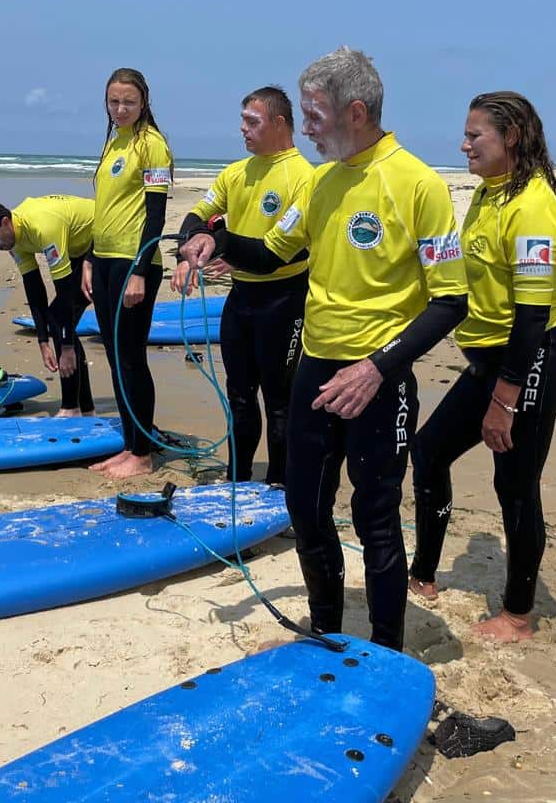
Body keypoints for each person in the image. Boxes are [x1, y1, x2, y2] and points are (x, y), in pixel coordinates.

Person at [181, 47, 467, 651]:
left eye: (313, 115)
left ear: (355, 112)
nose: (304, 129)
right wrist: (212, 240)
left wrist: (378, 367)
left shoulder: (419, 185)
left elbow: (449, 301)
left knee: (376, 520)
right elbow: (266, 254)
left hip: (378, 379)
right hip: (314, 370)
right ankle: (327, 631)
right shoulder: (321, 182)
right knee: (306, 510)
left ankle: (386, 648)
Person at [407, 91, 556, 643]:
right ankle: (423, 574)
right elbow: (459, 267)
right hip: (487, 364)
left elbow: (530, 317)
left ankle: (518, 615)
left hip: (530, 363)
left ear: (512, 139)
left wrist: (504, 400)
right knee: (429, 452)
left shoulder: (532, 206)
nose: (464, 144)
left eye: (476, 135)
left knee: (516, 485)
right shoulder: (487, 195)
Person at [174, 86, 312, 485]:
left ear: (279, 123)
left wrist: (219, 242)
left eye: (252, 121)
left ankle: (280, 484)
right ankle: (238, 481)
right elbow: (197, 216)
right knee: (238, 397)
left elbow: (273, 256)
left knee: (280, 403)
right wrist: (194, 243)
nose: (243, 129)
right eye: (242, 121)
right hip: (241, 300)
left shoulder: (304, 178)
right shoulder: (236, 172)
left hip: (284, 301)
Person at [85, 68, 171, 479]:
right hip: (102, 261)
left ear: (144, 103)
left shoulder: (151, 145)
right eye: (114, 102)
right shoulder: (113, 142)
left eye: (129, 102)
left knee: (132, 358)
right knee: (115, 358)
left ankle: (143, 453)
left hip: (133, 264)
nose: (120, 109)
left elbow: (155, 214)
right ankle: (131, 443)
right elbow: (101, 207)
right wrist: (87, 258)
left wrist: (140, 270)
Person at [0, 195, 96, 416]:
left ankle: (71, 407)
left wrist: (65, 348)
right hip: (77, 245)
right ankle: (84, 407)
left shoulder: (42, 227)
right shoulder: (13, 239)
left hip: (103, 238)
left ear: (5, 222)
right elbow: (34, 287)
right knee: (58, 322)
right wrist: (43, 340)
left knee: (60, 319)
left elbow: (63, 292)